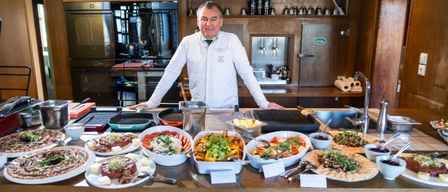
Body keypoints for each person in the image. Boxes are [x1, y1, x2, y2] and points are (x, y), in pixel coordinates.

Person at [130, 1, 284, 110]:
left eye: (213, 19)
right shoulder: (188, 42)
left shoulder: (231, 41)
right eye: (204, 19)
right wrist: (152, 102)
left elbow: (247, 74)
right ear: (198, 22)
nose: (208, 24)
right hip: (198, 111)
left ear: (221, 22)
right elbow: (171, 73)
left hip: (227, 110)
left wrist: (263, 103)